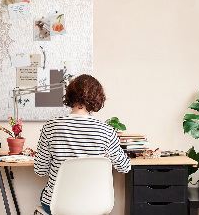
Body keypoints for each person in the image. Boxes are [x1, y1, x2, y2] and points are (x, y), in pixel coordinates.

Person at [34, 74, 131, 214]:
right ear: (97, 98)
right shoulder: (106, 131)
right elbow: (124, 167)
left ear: (70, 95)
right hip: (95, 206)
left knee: (48, 194)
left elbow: (40, 170)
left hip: (57, 207)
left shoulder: (51, 127)